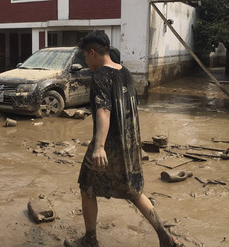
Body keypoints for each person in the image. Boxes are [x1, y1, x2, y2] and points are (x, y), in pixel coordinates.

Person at [64, 31, 182, 247]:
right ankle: (165, 236)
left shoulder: (100, 75)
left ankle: (90, 240)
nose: (85, 61)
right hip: (130, 145)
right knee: (134, 191)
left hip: (109, 146)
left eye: (85, 56)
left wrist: (99, 146)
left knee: (87, 186)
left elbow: (103, 111)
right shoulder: (125, 72)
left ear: (92, 53)